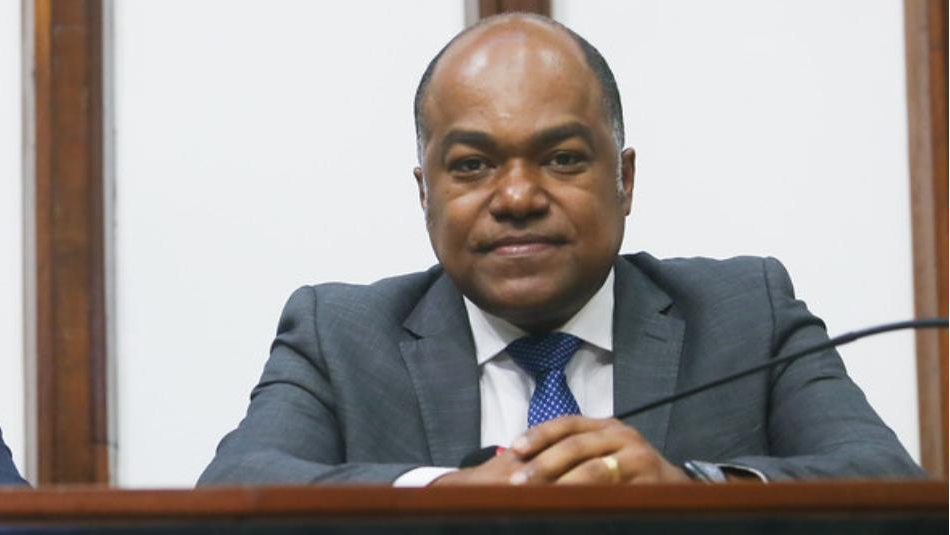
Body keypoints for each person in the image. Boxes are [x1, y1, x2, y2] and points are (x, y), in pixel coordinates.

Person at [199, 13, 922, 486]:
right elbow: (235, 488)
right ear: (425, 192)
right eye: (472, 165)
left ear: (624, 179)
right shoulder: (339, 336)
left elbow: (888, 483)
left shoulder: (745, 315)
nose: (517, 196)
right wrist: (441, 492)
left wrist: (690, 488)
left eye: (563, 158)